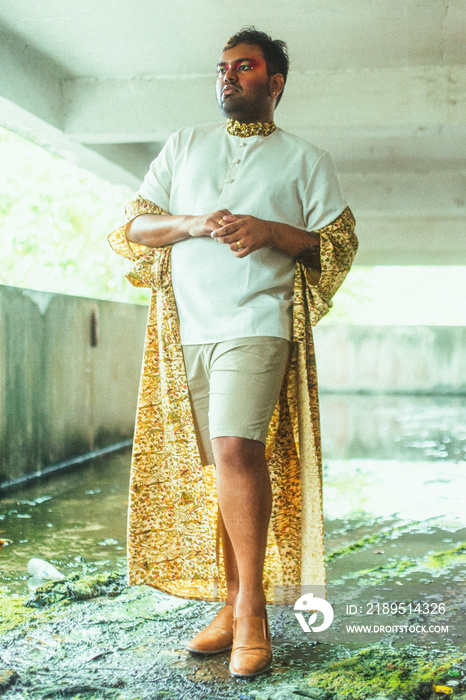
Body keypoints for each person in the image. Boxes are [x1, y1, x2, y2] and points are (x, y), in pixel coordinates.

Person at [108, 27, 358, 678]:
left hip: (258, 320)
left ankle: (252, 616)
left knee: (236, 450)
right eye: (222, 68)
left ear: (274, 83)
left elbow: (335, 248)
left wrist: (273, 231)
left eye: (243, 67)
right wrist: (191, 222)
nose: (227, 77)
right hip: (186, 327)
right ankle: (231, 601)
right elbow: (133, 229)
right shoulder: (184, 146)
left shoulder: (306, 159)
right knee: (217, 463)